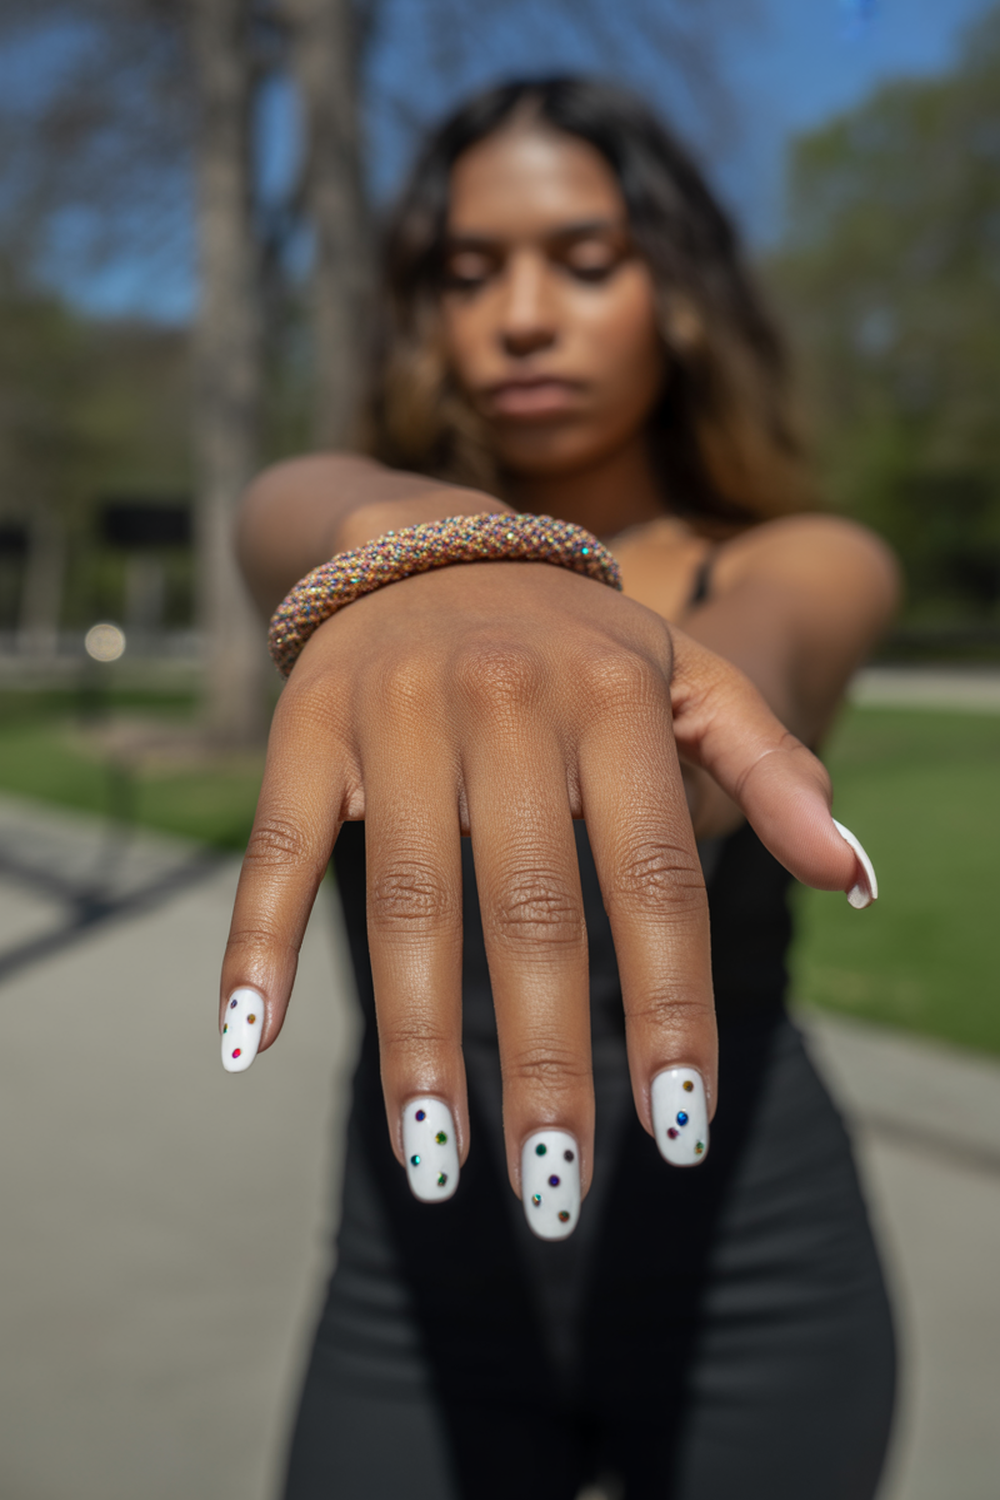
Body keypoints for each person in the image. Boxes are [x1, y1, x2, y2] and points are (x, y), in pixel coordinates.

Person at [221, 78, 900, 1500]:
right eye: (470, 275)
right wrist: (435, 550)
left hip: (754, 1275)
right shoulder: (378, 572)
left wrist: (608, 665)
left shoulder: (801, 561)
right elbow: (284, 501)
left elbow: (733, 715)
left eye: (585, 262)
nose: (522, 314)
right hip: (419, 1282)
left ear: (682, 294)